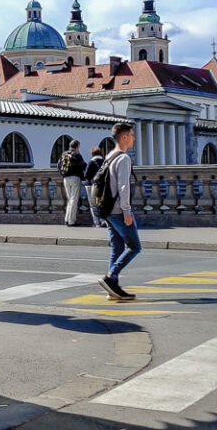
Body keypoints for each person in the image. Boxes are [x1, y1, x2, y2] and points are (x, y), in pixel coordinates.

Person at [97, 122, 140, 301]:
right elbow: (123, 187)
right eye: (131, 134)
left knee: (117, 248)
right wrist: (127, 211)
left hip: (106, 208)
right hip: (118, 210)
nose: (133, 138)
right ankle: (110, 276)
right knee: (134, 246)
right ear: (124, 137)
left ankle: (112, 289)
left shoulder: (109, 156)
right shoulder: (123, 158)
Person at [59, 140, 88, 226]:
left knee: (69, 199)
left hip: (65, 178)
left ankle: (67, 219)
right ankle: (71, 221)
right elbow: (84, 166)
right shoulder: (77, 155)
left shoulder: (64, 154)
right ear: (77, 146)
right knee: (74, 199)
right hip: (75, 177)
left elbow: (58, 165)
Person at [84, 146, 106, 228]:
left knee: (93, 204)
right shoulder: (104, 162)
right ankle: (103, 220)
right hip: (102, 185)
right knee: (101, 203)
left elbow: (86, 175)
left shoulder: (91, 162)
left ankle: (97, 222)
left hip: (91, 185)